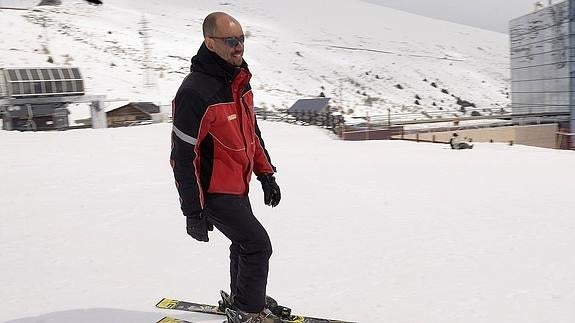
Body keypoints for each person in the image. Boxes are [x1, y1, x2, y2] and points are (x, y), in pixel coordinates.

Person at [170, 12, 283, 323]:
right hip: (215, 191)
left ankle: (243, 297)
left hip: (238, 185)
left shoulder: (238, 81)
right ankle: (248, 311)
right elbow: (182, 156)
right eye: (231, 41)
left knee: (244, 243)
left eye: (242, 39)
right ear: (210, 42)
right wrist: (193, 210)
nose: (239, 47)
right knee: (258, 245)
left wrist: (266, 174)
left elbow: (251, 134)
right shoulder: (195, 92)